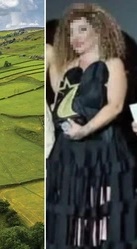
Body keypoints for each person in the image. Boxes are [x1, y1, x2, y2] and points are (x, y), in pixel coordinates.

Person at [46, 3, 137, 248]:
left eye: (82, 30)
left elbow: (115, 106)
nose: (74, 37)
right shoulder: (68, 66)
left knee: (101, 214)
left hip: (103, 151)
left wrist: (83, 131)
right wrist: (51, 60)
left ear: (98, 31)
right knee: (71, 216)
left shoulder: (112, 63)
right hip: (68, 153)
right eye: (71, 32)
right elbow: (61, 101)